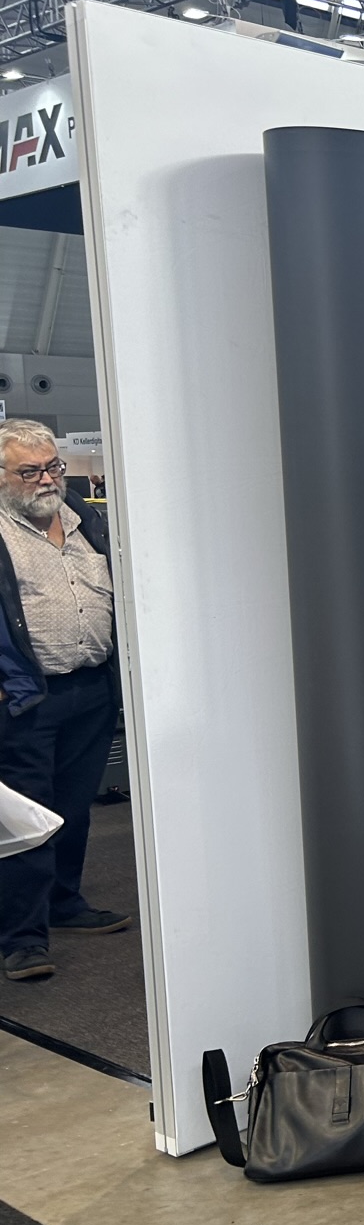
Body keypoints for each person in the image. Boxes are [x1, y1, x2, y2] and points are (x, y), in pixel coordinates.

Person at [0, 420, 125, 986]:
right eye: (30, 471)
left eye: (53, 466)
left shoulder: (82, 518)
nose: (47, 479)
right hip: (27, 696)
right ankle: (22, 938)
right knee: (30, 819)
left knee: (74, 808)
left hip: (91, 689)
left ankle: (64, 903)